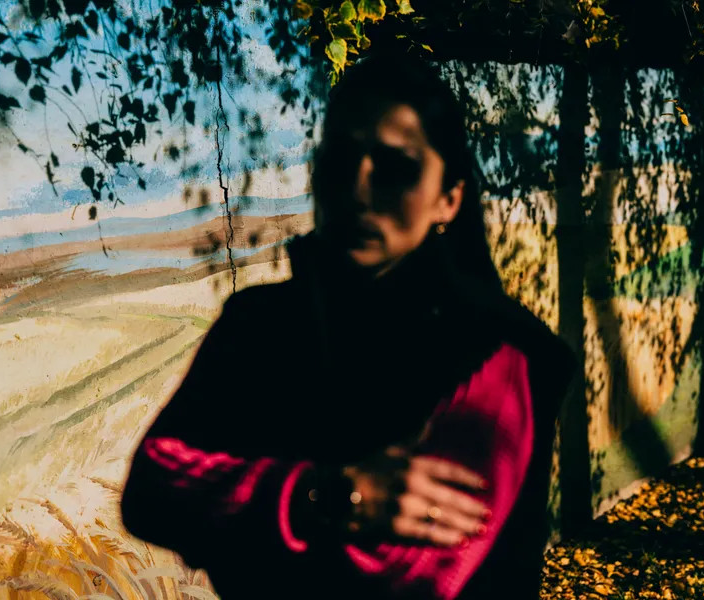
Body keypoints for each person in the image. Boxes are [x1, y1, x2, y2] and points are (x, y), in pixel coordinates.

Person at [120, 53, 576, 600]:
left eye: (396, 168)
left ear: (449, 199)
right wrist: (320, 496)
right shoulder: (257, 323)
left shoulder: (495, 351)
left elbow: (406, 575)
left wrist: (233, 510)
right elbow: (150, 489)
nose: (359, 189)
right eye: (339, 161)